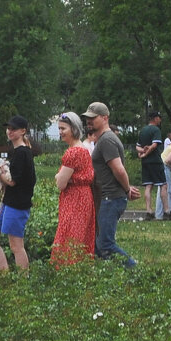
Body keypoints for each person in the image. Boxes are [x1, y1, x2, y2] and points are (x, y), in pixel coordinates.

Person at [84, 102, 140, 264]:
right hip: (108, 197)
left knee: (105, 244)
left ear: (105, 118)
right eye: (87, 118)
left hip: (111, 197)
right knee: (97, 245)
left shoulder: (106, 140)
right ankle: (110, 278)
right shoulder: (104, 139)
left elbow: (119, 169)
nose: (89, 121)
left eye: (92, 118)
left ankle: (137, 272)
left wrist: (127, 189)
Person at [0, 115, 37, 272]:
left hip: (17, 204)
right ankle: (5, 275)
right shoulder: (18, 151)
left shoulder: (22, 153)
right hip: (8, 202)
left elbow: (13, 181)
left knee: (16, 245)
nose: (9, 131)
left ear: (23, 131)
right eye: (8, 128)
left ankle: (22, 284)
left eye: (14, 129)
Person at [52, 112, 96, 262]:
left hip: (74, 199)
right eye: (59, 128)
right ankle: (79, 272)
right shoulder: (83, 148)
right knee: (80, 236)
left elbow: (60, 184)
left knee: (69, 236)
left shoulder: (73, 152)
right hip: (85, 197)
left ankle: (66, 272)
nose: (60, 132)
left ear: (74, 129)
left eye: (63, 128)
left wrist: (60, 176)